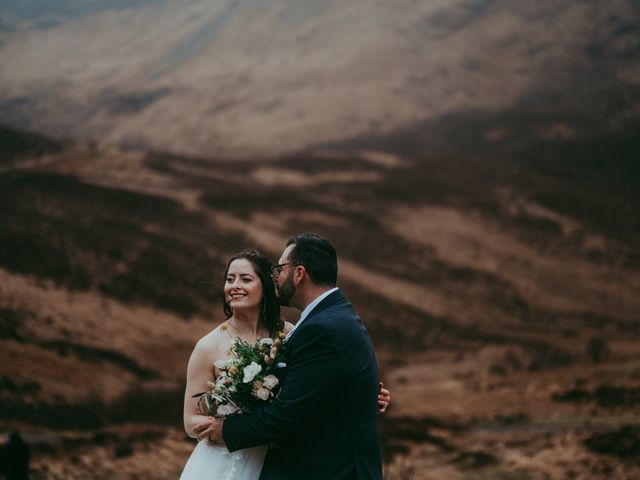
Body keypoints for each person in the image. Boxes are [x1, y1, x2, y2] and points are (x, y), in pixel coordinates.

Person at [180, 246, 390, 479]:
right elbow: (191, 421)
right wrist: (222, 427)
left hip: (278, 458)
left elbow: (310, 387)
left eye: (245, 279)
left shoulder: (287, 334)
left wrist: (360, 394)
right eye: (230, 279)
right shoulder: (209, 345)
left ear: (265, 286)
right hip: (227, 458)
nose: (235, 285)